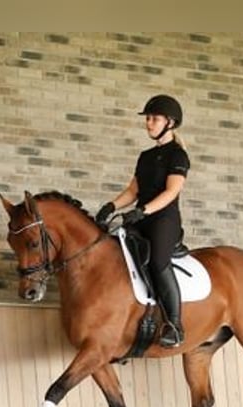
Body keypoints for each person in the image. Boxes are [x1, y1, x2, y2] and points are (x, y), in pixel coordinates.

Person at [95, 94, 190, 348]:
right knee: (112, 248)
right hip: (142, 215)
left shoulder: (178, 156)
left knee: (158, 262)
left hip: (164, 220)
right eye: (147, 118)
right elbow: (132, 191)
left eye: (154, 119)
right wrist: (111, 206)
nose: (148, 123)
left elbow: (171, 192)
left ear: (170, 122)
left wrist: (143, 211)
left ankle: (175, 325)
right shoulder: (145, 156)